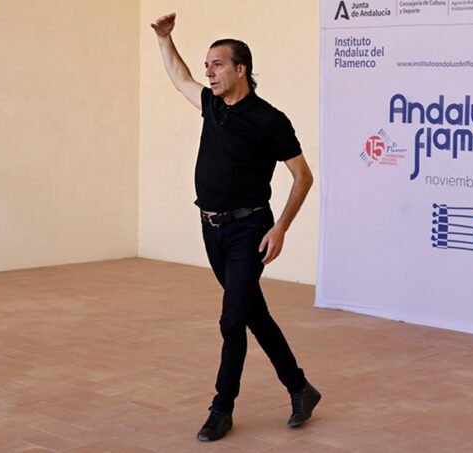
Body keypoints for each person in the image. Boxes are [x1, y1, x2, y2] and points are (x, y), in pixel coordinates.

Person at [151, 12, 320, 442]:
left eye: (217, 65)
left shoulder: (269, 120)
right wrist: (165, 39)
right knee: (252, 313)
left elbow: (303, 176)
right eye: (207, 65)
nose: (209, 72)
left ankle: (221, 408)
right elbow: (179, 78)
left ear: (241, 69)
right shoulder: (211, 106)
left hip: (250, 230)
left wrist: (281, 228)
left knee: (232, 321)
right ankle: (300, 387)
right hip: (212, 230)